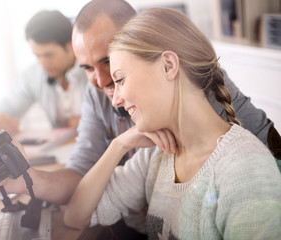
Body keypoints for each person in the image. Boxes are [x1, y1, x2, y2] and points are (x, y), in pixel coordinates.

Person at [0, 0, 281, 219]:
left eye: (109, 62)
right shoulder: (99, 99)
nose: (100, 81)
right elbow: (82, 178)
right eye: (86, 68)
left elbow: (265, 156)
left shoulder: (197, 87)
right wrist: (28, 179)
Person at [64, 8, 281, 239]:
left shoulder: (244, 172)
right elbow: (75, 217)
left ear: (168, 65)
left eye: (121, 79)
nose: (116, 99)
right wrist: (119, 145)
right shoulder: (158, 152)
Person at [0, 10, 88, 136]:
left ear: (70, 46)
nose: (42, 63)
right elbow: (3, 108)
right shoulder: (33, 75)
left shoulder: (93, 70)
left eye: (48, 55)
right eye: (37, 56)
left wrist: (91, 122)